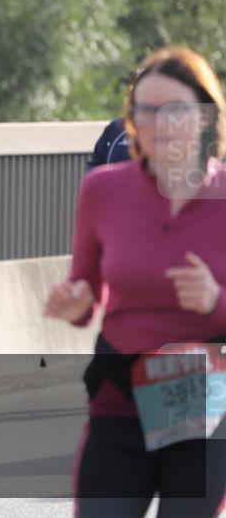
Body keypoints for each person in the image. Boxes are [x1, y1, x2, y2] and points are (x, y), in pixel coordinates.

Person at [45, 46, 226, 517]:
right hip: (119, 398)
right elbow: (86, 290)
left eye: (175, 110)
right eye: (145, 110)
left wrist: (214, 300)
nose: (159, 123)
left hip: (203, 404)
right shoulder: (103, 189)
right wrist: (75, 301)